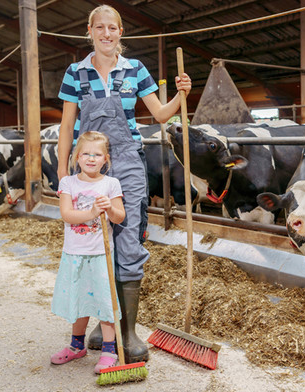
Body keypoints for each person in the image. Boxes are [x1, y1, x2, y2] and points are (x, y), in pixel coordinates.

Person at [55, 4, 191, 363]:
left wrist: (181, 95)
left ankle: (127, 333)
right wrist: (61, 173)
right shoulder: (74, 73)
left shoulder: (136, 69)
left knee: (127, 240)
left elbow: (160, 114)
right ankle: (104, 325)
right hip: (89, 165)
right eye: (99, 28)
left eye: (112, 28)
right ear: (89, 31)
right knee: (92, 243)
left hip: (128, 163)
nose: (106, 34)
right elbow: (68, 127)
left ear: (120, 32)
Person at [50, 131, 126, 373]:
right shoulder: (68, 183)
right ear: (76, 157)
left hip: (100, 254)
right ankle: (76, 346)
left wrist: (109, 209)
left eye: (97, 154)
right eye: (86, 154)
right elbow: (67, 215)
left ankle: (109, 351)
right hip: (74, 253)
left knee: (105, 301)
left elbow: (120, 216)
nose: (91, 159)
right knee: (79, 300)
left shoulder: (110, 184)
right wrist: (93, 212)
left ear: (106, 159)